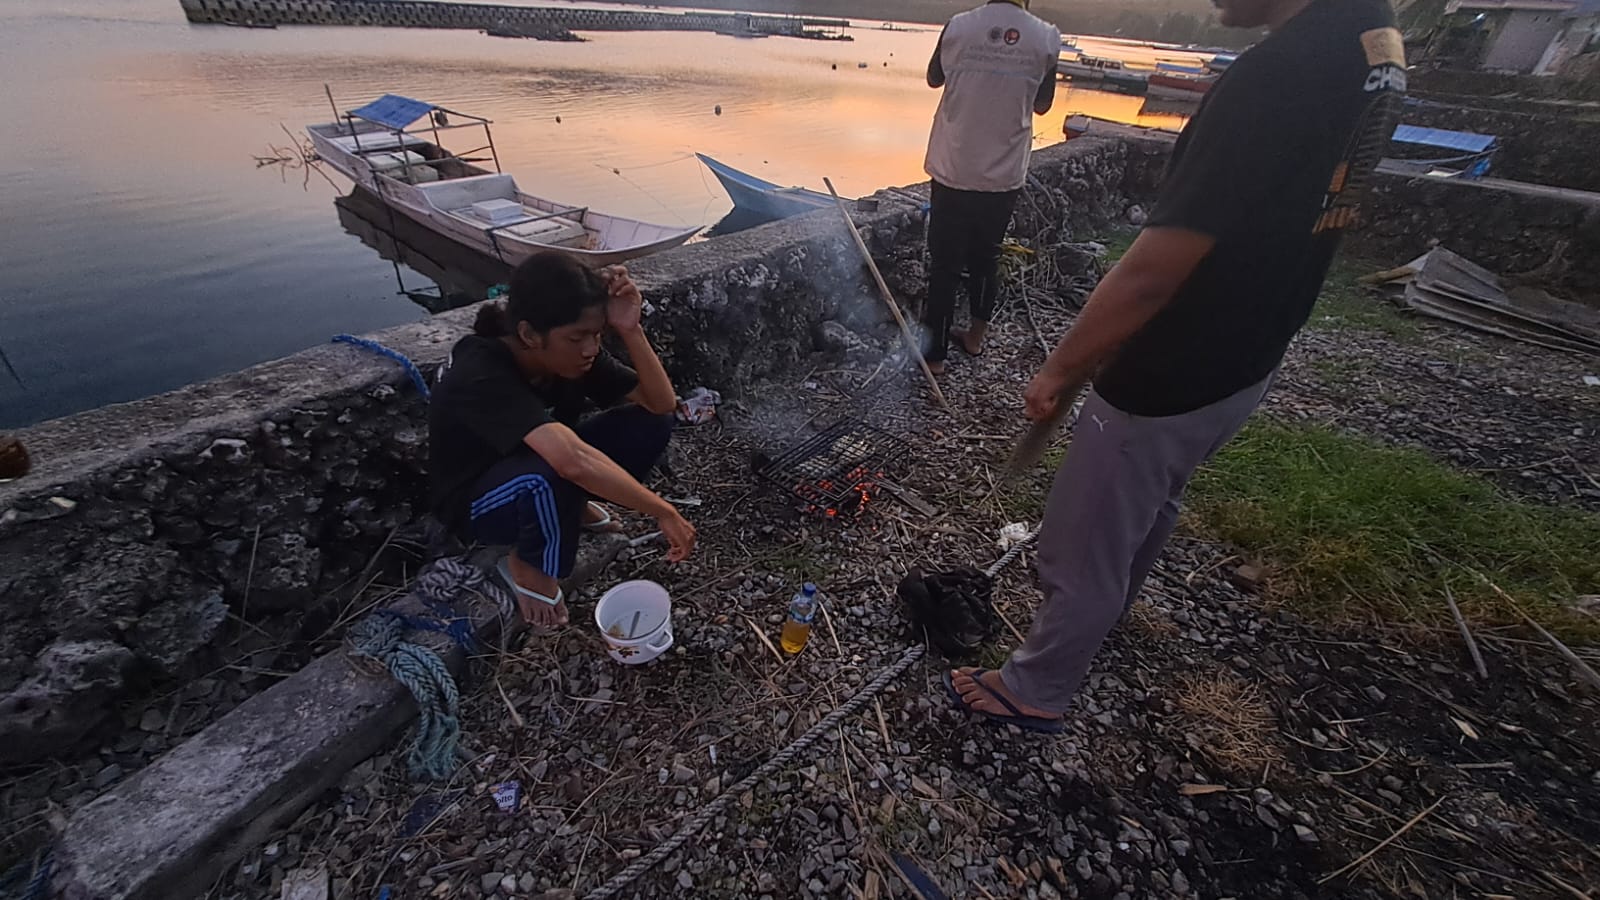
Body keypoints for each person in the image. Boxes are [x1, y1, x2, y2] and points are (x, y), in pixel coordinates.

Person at [947, 0, 1408, 729]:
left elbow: (1153, 271)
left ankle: (1038, 686)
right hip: (1251, 351)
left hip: (1175, 365)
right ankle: (1107, 615)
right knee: (1150, 501)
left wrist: (1062, 367)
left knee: (1079, 543)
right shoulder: (1373, 40)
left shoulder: (1279, 71)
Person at [429, 251, 696, 627]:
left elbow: (661, 402)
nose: (590, 348)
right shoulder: (481, 372)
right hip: (478, 502)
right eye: (577, 337)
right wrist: (663, 511)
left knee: (651, 423)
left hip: (539, 461)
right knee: (553, 469)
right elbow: (570, 460)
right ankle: (529, 563)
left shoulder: (571, 357)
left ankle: (569, 504)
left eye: (596, 334)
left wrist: (629, 329)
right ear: (528, 334)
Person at [922, 0, 1060, 374]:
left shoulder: (958, 26)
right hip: (1003, 171)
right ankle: (976, 337)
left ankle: (934, 355)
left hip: (954, 164)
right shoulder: (1046, 37)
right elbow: (1044, 105)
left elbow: (934, 78)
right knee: (986, 259)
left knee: (945, 265)